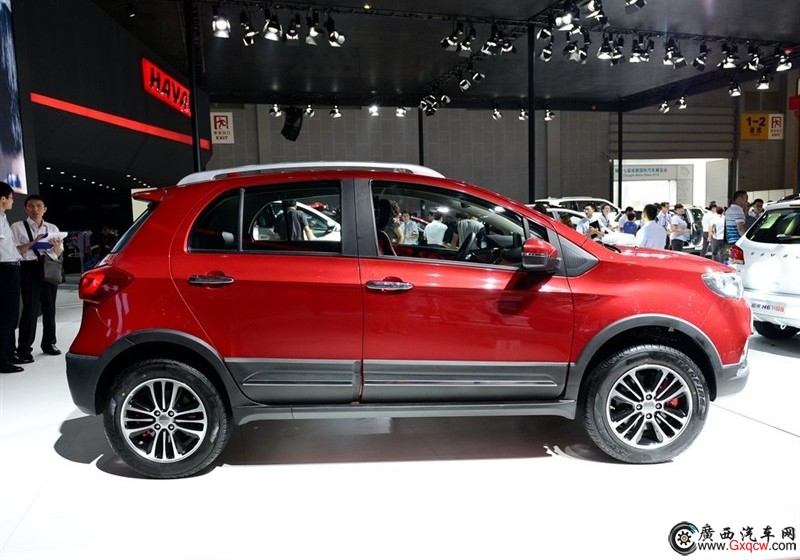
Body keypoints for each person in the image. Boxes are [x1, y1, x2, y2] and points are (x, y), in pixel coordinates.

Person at [11, 195, 64, 363]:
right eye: (31, 206)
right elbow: (15, 250)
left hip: (48, 266)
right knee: (30, 309)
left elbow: (58, 252)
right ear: (25, 209)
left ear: (45, 209)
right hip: (29, 269)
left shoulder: (52, 227)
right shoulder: (18, 226)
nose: (35, 209)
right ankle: (24, 348)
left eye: (39, 206)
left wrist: (56, 247)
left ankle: (49, 343)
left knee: (49, 308)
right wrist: (34, 242)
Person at [0, 182, 23, 373]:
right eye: (11, 198)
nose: (12, 201)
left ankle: (7, 355)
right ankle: (2, 360)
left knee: (9, 316)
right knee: (7, 316)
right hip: (4, 270)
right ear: (2, 199)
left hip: (9, 269)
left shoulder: (2, 217)